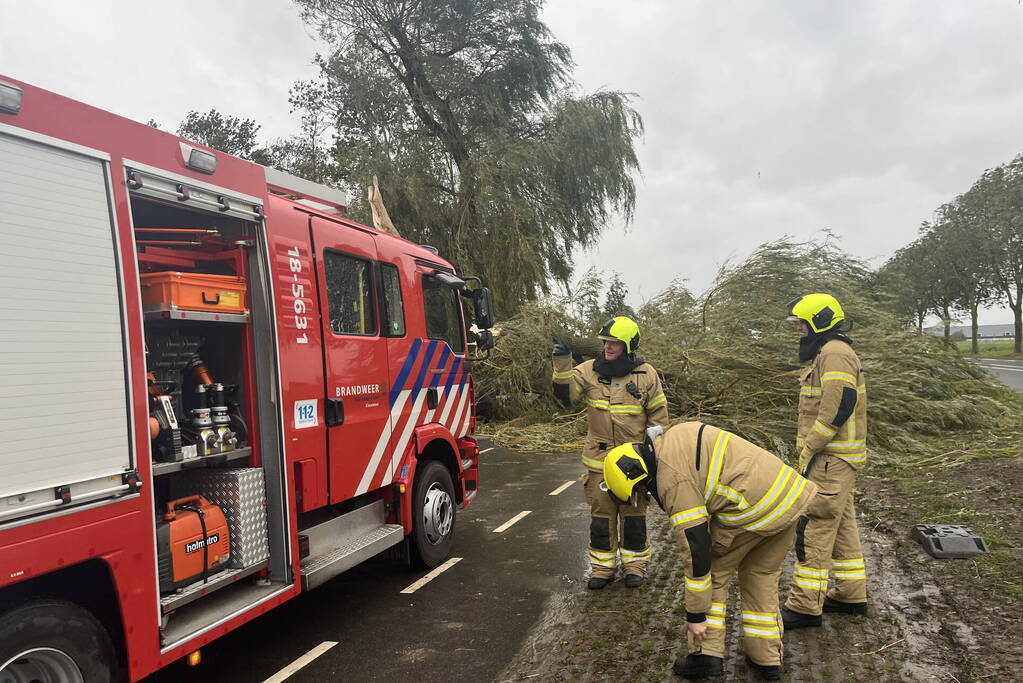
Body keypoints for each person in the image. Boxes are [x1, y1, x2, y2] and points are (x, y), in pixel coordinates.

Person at [602, 422, 817, 680]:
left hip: (752, 508)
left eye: (640, 490)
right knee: (760, 576)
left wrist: (695, 614)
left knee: (713, 573)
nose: (646, 495)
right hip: (788, 498)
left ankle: (705, 656)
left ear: (635, 473)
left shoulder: (671, 478)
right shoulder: (672, 439)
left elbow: (695, 545)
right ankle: (766, 660)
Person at [552, 316, 669, 589]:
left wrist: (652, 458)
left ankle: (635, 567)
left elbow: (659, 420)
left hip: (634, 461)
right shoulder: (589, 370)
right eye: (606, 342)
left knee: (634, 517)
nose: (608, 347)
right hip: (599, 461)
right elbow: (565, 398)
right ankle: (602, 570)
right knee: (601, 519)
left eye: (614, 343)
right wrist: (562, 363)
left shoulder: (646, 374)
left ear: (629, 345)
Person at [781, 293, 869, 630]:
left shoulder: (834, 353)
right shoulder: (831, 352)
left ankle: (805, 606)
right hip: (836, 459)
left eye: (803, 323)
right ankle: (850, 594)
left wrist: (811, 446)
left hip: (830, 458)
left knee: (813, 526)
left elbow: (838, 405)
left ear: (819, 321)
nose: (800, 330)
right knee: (842, 525)